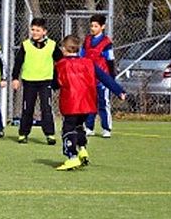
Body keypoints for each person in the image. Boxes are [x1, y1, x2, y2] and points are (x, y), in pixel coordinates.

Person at [53, 35, 126, 171]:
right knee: (79, 126)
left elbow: (55, 83)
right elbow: (104, 77)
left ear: (64, 49)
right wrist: (119, 91)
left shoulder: (61, 64)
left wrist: (52, 84)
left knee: (68, 129)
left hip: (71, 103)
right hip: (87, 103)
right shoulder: (88, 62)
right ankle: (82, 149)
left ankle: (72, 157)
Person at [12, 17, 62, 144]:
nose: (34, 32)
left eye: (38, 30)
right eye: (33, 29)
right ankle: (23, 133)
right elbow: (18, 62)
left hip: (46, 81)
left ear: (44, 31)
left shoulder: (52, 45)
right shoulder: (26, 45)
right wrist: (15, 78)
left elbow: (61, 62)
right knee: (27, 108)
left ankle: (50, 134)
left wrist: (59, 78)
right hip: (29, 81)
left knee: (46, 108)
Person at [80, 14, 116, 138]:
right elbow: (82, 56)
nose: (93, 28)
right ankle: (89, 127)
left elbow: (110, 60)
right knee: (90, 103)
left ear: (102, 27)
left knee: (103, 103)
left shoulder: (106, 43)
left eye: (96, 26)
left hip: (102, 78)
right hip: (89, 77)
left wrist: (111, 77)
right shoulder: (87, 40)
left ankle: (106, 128)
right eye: (91, 26)